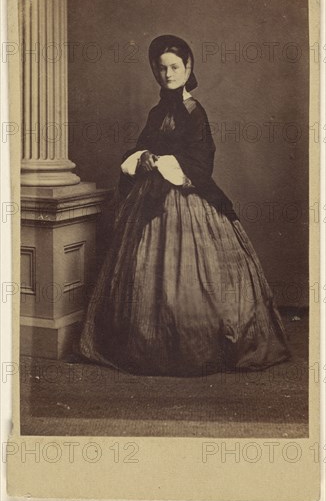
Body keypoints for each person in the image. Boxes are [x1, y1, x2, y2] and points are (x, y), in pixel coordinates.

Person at [77, 34, 291, 376]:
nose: (168, 74)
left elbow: (201, 162)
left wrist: (162, 163)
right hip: (149, 201)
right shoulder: (157, 111)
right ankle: (148, 344)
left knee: (197, 277)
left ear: (188, 66)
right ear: (154, 71)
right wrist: (143, 157)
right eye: (161, 68)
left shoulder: (195, 111)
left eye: (174, 67)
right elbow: (140, 146)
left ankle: (199, 345)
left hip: (187, 198)